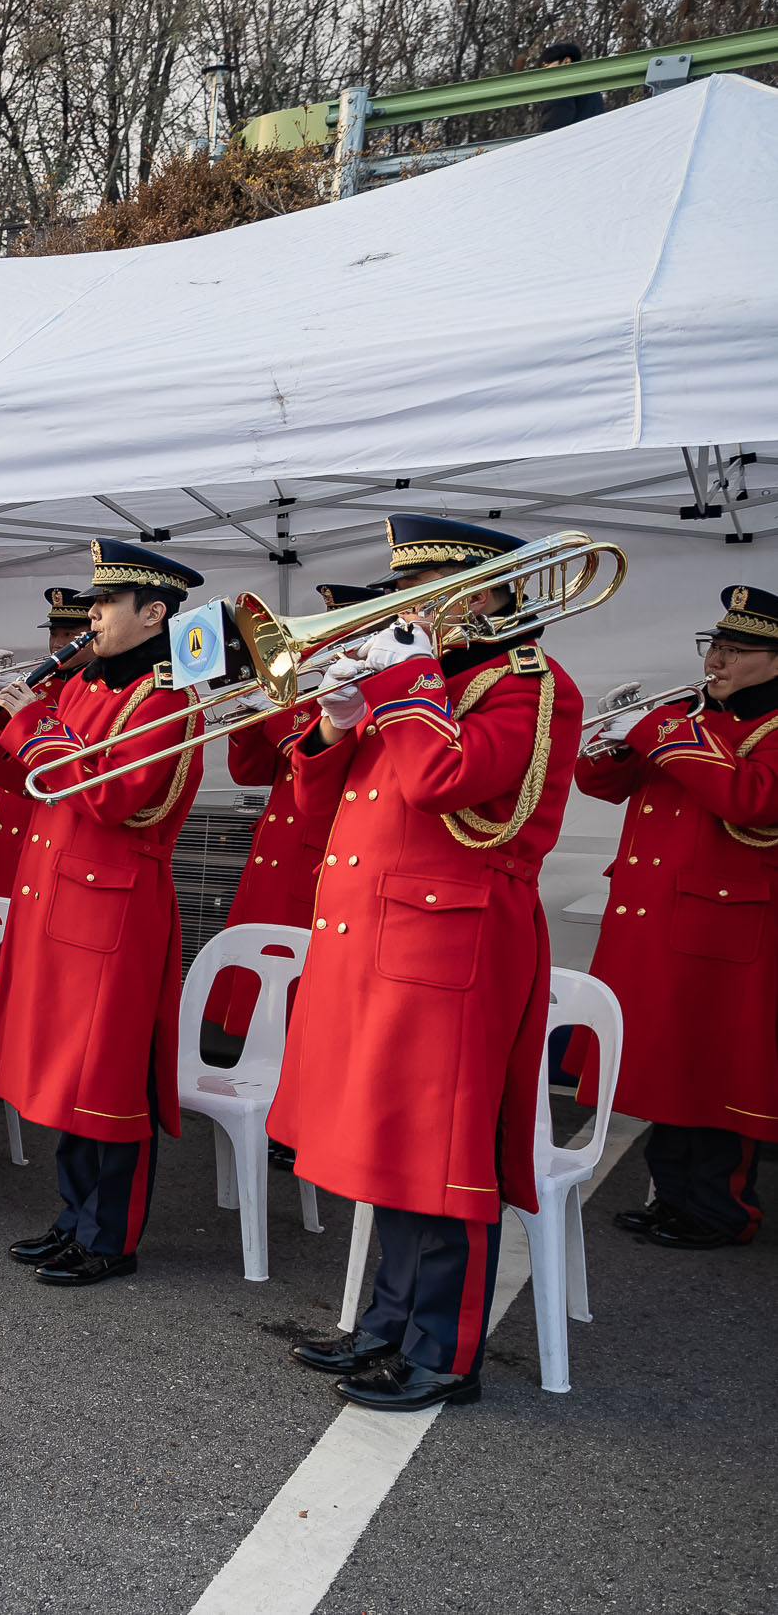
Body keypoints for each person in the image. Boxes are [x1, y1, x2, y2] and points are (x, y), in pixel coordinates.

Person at [271, 514, 582, 1410]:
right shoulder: (427, 685)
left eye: (428, 598)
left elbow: (444, 784)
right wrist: (335, 721)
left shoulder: (527, 684)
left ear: (485, 594)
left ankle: (443, 1352)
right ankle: (383, 1325)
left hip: (452, 948)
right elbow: (316, 798)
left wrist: (403, 690)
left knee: (444, 1157)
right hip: (381, 944)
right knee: (388, 1146)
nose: (411, 614)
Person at [0, 542, 205, 1285]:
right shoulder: (87, 686)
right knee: (70, 1077)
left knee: (110, 1082)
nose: (89, 616)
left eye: (105, 604)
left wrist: (31, 723)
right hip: (60, 901)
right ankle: (73, 1217)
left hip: (112, 911)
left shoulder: (167, 697)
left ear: (153, 612)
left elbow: (114, 797)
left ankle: (109, 1236)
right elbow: (43, 781)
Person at [573, 583, 778, 1250]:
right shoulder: (689, 716)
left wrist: (662, 731)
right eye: (713, 646)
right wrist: (611, 743)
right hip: (658, 922)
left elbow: (752, 799)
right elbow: (604, 787)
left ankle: (720, 1210)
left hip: (724, 933)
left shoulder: (765, 729)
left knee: (715, 1074)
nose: (715, 661)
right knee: (667, 1070)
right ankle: (673, 1196)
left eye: (734, 651)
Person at [200, 582, 374, 1059]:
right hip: (275, 857)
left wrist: (277, 717)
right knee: (259, 999)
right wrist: (246, 722)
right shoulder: (311, 689)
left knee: (301, 1007)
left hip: (318, 859)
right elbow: (249, 774)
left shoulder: (371, 693)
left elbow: (321, 766)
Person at [0, 589, 93, 901]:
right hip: (11, 802)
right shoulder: (38, 684)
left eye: (70, 634)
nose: (59, 644)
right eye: (54, 634)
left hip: (48, 805)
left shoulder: (92, 690)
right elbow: (4, 746)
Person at [532, 41, 604, 134]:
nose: (543, 72)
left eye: (546, 66)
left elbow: (556, 121)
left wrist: (541, 144)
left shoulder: (560, 86)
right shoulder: (590, 87)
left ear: (566, 62)